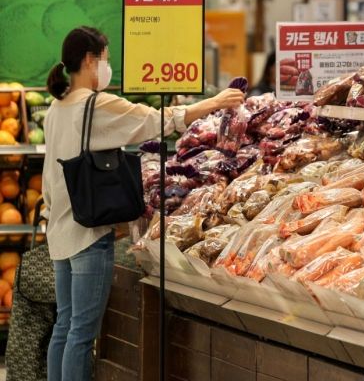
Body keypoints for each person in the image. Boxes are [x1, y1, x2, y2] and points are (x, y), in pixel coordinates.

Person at [43, 26, 244, 381]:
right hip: (89, 234)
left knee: (65, 326)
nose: (108, 67)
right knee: (82, 333)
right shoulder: (96, 105)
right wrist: (214, 103)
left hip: (60, 229)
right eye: (105, 59)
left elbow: (48, 179)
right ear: (90, 60)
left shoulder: (55, 110)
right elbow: (158, 120)